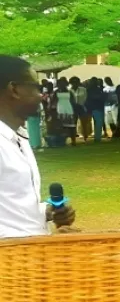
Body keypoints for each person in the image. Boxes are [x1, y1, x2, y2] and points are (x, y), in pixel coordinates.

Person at [0, 56, 76, 237]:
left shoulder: (18, 136)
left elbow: (11, 203)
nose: (41, 95)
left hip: (30, 254)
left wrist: (45, 213)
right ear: (14, 90)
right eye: (36, 87)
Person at [54, 77, 77, 146]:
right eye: (60, 83)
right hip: (60, 108)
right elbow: (54, 100)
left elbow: (73, 101)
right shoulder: (56, 91)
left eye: (63, 83)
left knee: (71, 126)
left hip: (69, 108)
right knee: (61, 126)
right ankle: (62, 141)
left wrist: (74, 110)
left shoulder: (70, 91)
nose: (62, 85)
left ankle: (73, 141)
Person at [69, 77, 91, 142]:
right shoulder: (69, 90)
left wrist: (83, 105)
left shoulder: (83, 89)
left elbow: (86, 98)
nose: (75, 84)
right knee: (73, 123)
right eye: (73, 82)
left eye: (76, 82)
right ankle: (73, 139)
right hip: (73, 108)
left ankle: (85, 137)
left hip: (81, 107)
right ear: (71, 83)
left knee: (84, 123)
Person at [85, 78, 106, 142]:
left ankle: (95, 137)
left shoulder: (88, 89)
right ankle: (97, 137)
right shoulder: (95, 89)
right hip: (97, 107)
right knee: (98, 123)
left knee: (95, 123)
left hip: (92, 108)